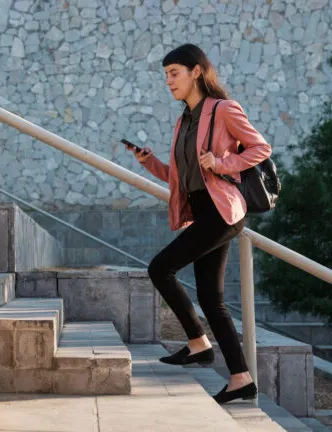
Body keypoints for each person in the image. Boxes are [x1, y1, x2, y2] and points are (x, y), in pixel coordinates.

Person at [126, 43, 271, 404]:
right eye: (165, 76)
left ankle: (198, 343)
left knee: (161, 268)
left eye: (174, 73)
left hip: (223, 210)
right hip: (204, 210)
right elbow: (180, 176)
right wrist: (149, 162)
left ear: (196, 72)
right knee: (210, 297)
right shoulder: (184, 121)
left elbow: (260, 148)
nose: (168, 81)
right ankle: (240, 378)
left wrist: (222, 163)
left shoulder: (223, 109)